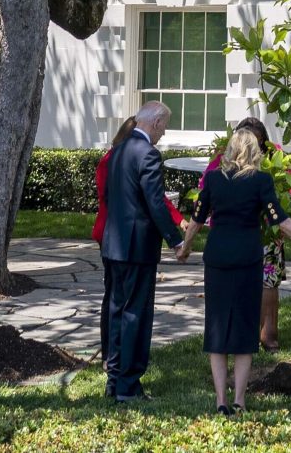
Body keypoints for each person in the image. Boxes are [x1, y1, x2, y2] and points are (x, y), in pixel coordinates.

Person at [176, 122, 291, 414]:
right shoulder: (261, 181)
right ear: (255, 151)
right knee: (245, 330)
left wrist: (186, 246)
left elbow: (196, 219)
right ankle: (239, 401)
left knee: (216, 327)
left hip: (217, 258)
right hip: (247, 258)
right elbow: (280, 219)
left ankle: (220, 400)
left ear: (230, 151)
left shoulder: (214, 181)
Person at [99, 102, 185, 402]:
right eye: (165, 125)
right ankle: (129, 385)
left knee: (116, 311)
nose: (165, 133)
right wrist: (175, 240)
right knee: (136, 313)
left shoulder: (118, 150)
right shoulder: (148, 154)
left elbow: (110, 196)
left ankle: (113, 379)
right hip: (137, 248)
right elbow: (155, 202)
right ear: (157, 122)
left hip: (113, 244)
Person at [207, 115, 291, 349]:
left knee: (267, 283)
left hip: (265, 230)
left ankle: (266, 333)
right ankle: (257, 335)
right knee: (264, 283)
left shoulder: (273, 158)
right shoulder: (225, 161)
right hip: (251, 230)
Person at [92, 111, 184, 247]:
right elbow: (154, 198)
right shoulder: (119, 158)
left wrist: (178, 219)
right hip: (120, 229)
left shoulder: (112, 157)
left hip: (112, 229)